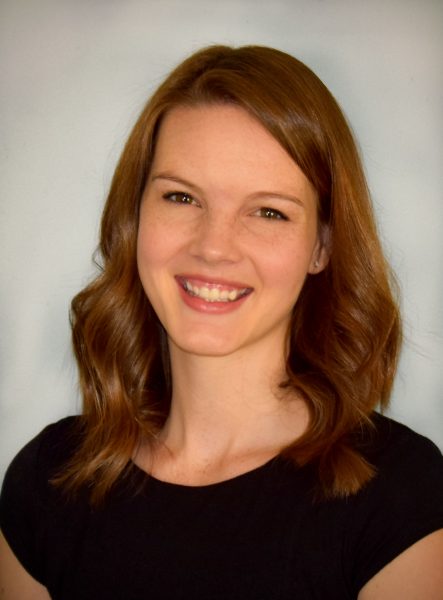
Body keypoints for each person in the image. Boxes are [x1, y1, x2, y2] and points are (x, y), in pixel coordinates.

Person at [0, 45, 442, 600]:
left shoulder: (399, 497)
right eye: (182, 197)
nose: (213, 247)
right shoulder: (47, 481)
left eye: (268, 211)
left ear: (322, 246)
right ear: (135, 219)